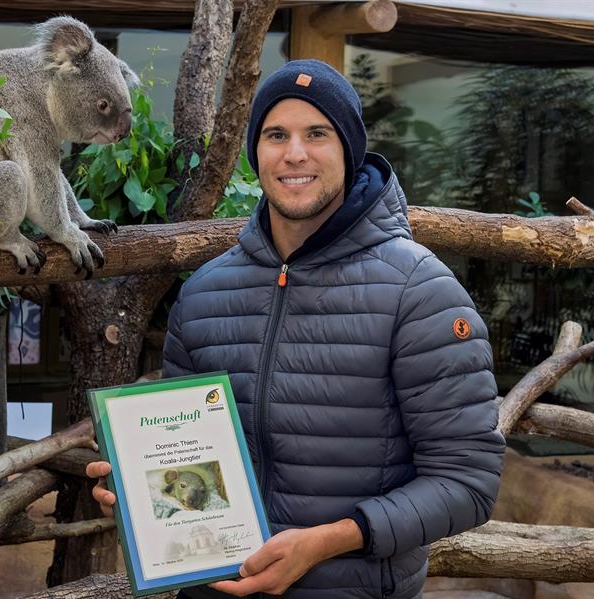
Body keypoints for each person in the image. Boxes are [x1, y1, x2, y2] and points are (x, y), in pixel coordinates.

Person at [87, 59, 506, 599]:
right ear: (255, 152)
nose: (294, 154)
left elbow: (467, 484)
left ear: (349, 151)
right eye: (275, 134)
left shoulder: (419, 290)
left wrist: (328, 541)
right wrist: (144, 492)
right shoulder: (204, 293)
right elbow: (184, 452)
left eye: (317, 134)